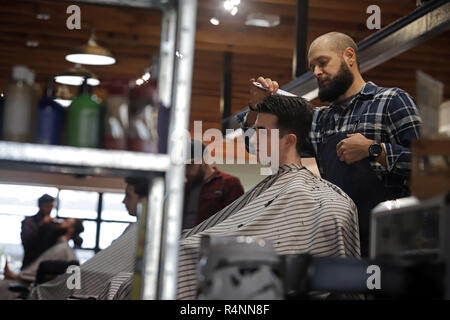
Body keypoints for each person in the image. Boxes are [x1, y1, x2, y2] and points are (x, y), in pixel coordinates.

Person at [98, 94, 361, 300]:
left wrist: (185, 249)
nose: (253, 138)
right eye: (254, 129)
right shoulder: (271, 187)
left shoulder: (315, 198)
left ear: (288, 140)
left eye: (261, 131)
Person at [243, 32, 422, 256]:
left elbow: (431, 164)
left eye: (323, 62)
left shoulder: (392, 101)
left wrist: (374, 150)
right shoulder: (319, 120)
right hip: (342, 241)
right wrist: (258, 109)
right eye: (312, 67)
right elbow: (258, 148)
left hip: (394, 243)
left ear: (349, 56)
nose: (316, 72)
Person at [26, 177, 149, 300]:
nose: (123, 201)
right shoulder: (53, 238)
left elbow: (87, 275)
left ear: (144, 200)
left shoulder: (139, 230)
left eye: (128, 196)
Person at [183, 139, 244, 229]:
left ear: (204, 159)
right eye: (183, 166)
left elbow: (237, 222)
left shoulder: (229, 184)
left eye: (189, 165)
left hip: (211, 240)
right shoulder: (183, 187)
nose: (186, 171)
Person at [4, 218, 84, 282]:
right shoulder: (60, 246)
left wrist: (16, 276)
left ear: (71, 230)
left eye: (66, 222)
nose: (61, 222)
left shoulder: (62, 249)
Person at [20, 194, 57, 269]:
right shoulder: (28, 221)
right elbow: (27, 242)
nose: (50, 209)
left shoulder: (52, 223)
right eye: (47, 207)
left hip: (47, 263)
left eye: (51, 207)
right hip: (30, 262)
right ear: (40, 206)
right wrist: (42, 224)